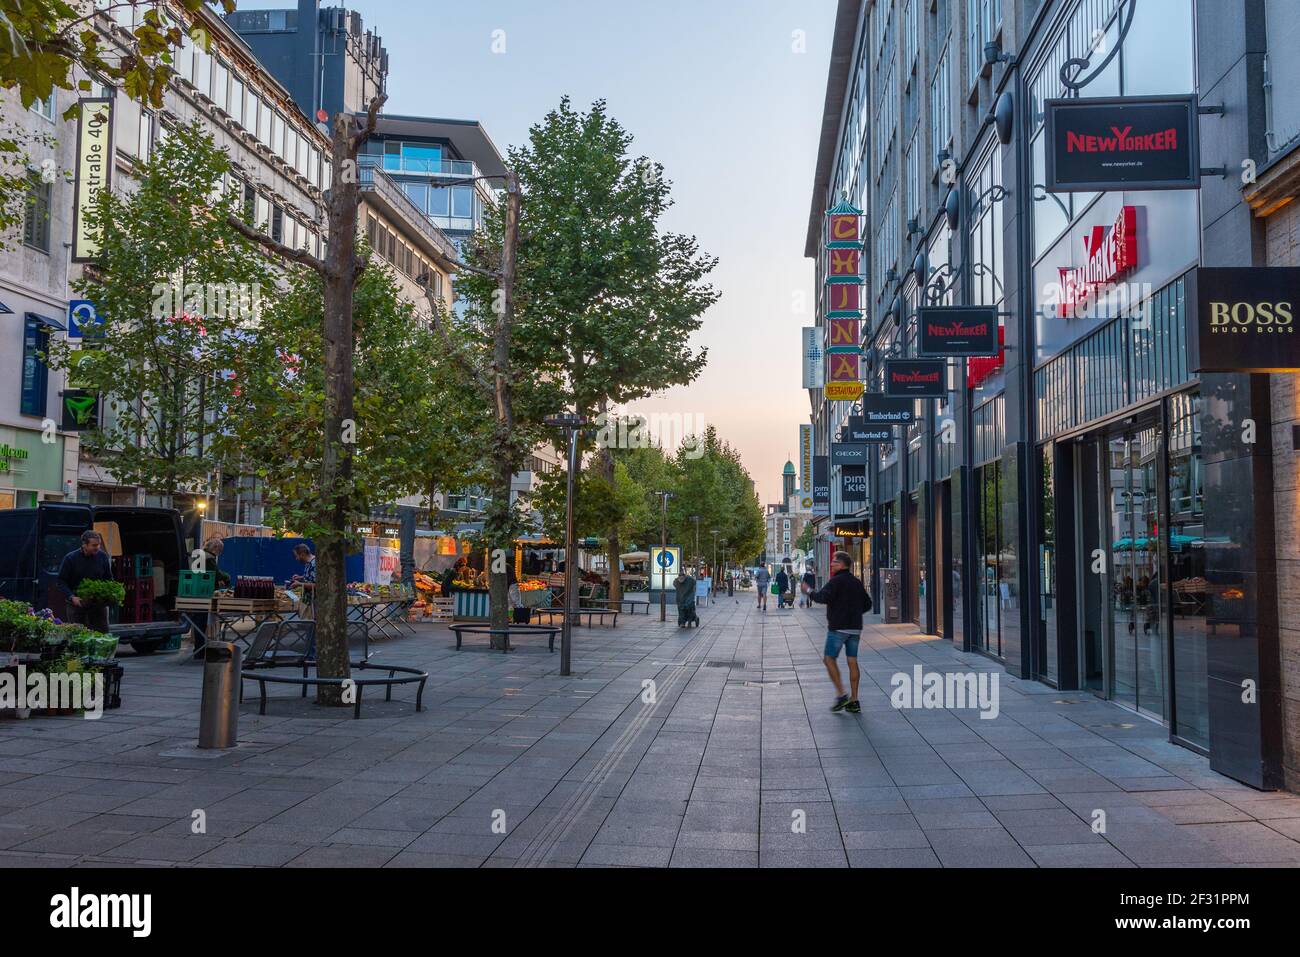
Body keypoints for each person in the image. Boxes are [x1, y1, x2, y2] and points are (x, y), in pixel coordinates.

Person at [802, 550, 872, 714]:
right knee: (852, 661)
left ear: (841, 564)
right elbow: (868, 604)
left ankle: (841, 695)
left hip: (838, 627)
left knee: (829, 659)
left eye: (834, 562)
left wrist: (808, 590)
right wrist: (854, 613)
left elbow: (821, 598)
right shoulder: (856, 582)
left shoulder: (835, 582)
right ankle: (854, 700)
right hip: (855, 628)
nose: (832, 564)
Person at [56, 530, 114, 634]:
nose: (97, 547)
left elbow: (108, 578)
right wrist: (72, 597)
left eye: (99, 545)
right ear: (84, 545)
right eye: (94, 545)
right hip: (77, 605)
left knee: (102, 634)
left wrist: (109, 594)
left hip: (98, 605)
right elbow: (61, 581)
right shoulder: (70, 558)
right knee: (78, 635)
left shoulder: (103, 557)